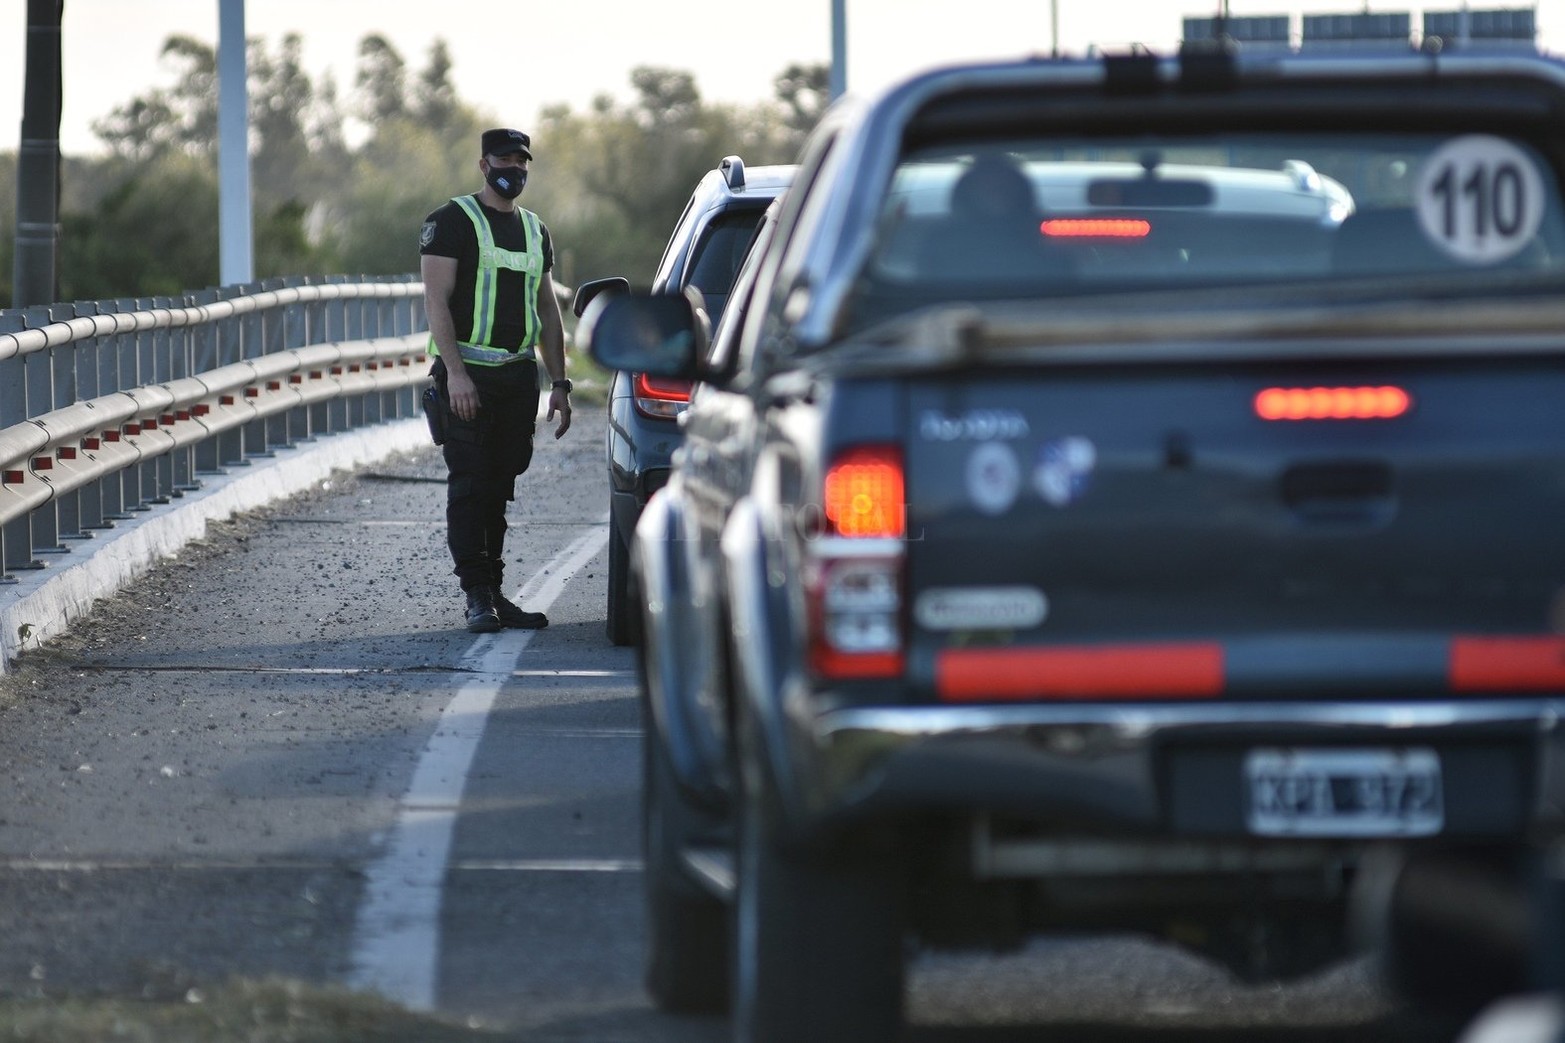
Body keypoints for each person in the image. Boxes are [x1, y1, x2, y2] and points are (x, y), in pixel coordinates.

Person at [420, 127, 573, 633]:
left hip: (515, 377)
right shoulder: (451, 222)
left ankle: (495, 592)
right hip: (468, 377)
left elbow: (548, 310)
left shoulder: (535, 230)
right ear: (484, 165)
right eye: (505, 160)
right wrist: (456, 376)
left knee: (500, 484)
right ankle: (477, 595)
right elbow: (435, 302)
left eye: (522, 161)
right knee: (470, 483)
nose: (516, 169)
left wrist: (561, 383)